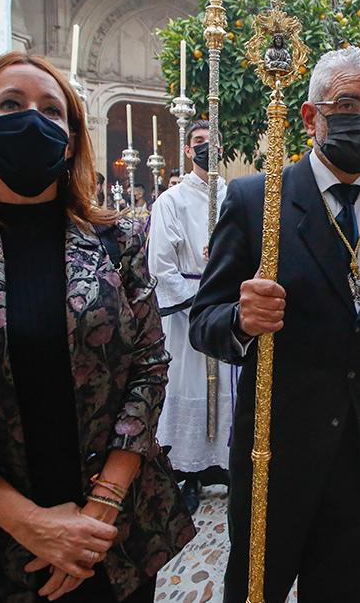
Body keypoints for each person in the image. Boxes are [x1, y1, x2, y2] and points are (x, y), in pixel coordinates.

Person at [0, 51, 194, 602]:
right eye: (11, 104)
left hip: (112, 530)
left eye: (52, 111)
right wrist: (30, 523)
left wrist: (102, 508)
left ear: (69, 140)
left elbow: (148, 368)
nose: (33, 119)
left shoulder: (117, 242)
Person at [189, 47, 360, 602]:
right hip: (276, 449)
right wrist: (241, 321)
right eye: (347, 103)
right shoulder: (258, 201)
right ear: (310, 116)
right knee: (257, 588)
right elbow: (206, 320)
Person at [149, 119, 235, 514]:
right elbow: (161, 266)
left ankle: (225, 462)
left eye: (211, 141)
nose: (205, 147)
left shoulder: (232, 196)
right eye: (199, 142)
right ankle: (189, 470)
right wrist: (198, 303)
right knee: (192, 384)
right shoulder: (172, 201)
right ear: (187, 150)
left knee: (227, 388)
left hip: (229, 310)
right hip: (189, 312)